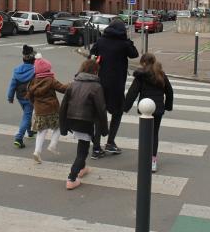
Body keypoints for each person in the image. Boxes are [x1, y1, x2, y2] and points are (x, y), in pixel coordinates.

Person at [90, 19, 138, 159]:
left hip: (100, 83)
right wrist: (128, 40)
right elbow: (134, 54)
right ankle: (110, 142)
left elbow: (92, 53)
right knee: (117, 113)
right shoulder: (124, 44)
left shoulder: (101, 41)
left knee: (99, 114)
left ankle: (96, 147)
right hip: (117, 85)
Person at [59, 59, 108, 190]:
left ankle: (82, 168)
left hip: (72, 119)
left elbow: (63, 106)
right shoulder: (96, 87)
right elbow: (101, 110)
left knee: (82, 143)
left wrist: (63, 125)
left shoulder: (73, 84)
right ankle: (72, 178)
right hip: (85, 121)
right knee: (83, 151)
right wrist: (104, 129)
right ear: (95, 71)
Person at [124, 53, 173, 172]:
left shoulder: (140, 76)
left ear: (144, 63)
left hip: (145, 108)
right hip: (158, 109)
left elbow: (132, 92)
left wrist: (125, 107)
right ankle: (153, 161)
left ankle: (144, 158)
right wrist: (167, 106)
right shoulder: (161, 74)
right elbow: (169, 91)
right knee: (154, 134)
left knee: (145, 134)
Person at [27, 56, 68, 163]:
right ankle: (53, 145)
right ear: (47, 69)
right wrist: (72, 84)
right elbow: (63, 89)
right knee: (59, 127)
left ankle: (37, 152)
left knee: (41, 131)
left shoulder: (33, 81)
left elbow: (30, 96)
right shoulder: (51, 80)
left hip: (39, 111)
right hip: (52, 109)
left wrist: (36, 105)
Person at [7, 45, 36, 148]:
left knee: (27, 114)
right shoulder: (35, 70)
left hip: (20, 97)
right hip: (30, 97)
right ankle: (19, 138)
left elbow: (12, 85)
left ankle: (30, 131)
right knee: (27, 116)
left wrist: (10, 97)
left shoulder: (17, 70)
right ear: (34, 59)